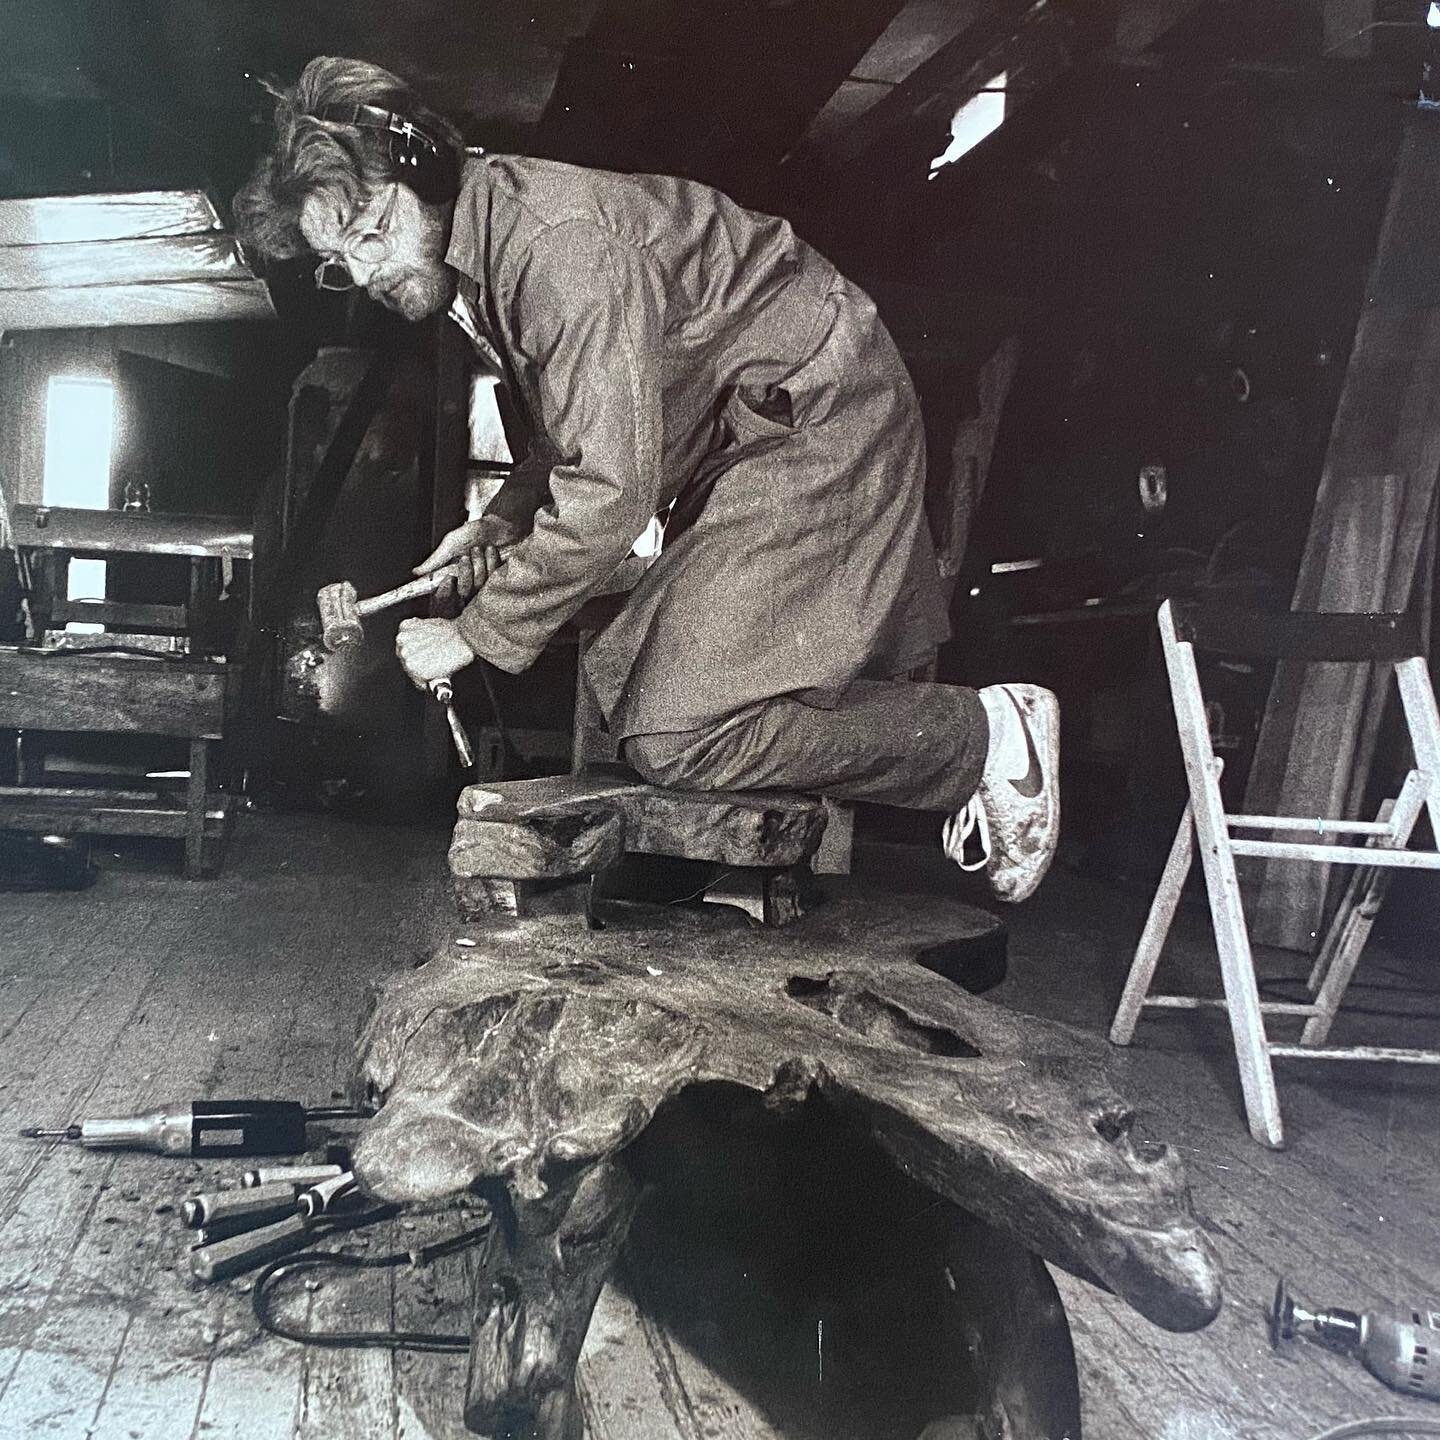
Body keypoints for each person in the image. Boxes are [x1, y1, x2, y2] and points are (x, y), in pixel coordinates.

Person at [234, 55, 1060, 902]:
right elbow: (579, 433)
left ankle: (980, 738)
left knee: (677, 730)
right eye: (339, 259)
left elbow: (613, 491)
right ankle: (732, 868)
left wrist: (476, 632)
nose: (367, 272)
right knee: (637, 679)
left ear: (429, 173)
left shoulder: (559, 251)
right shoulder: (488, 250)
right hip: (747, 432)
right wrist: (501, 526)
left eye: (370, 230)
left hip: (818, 413)